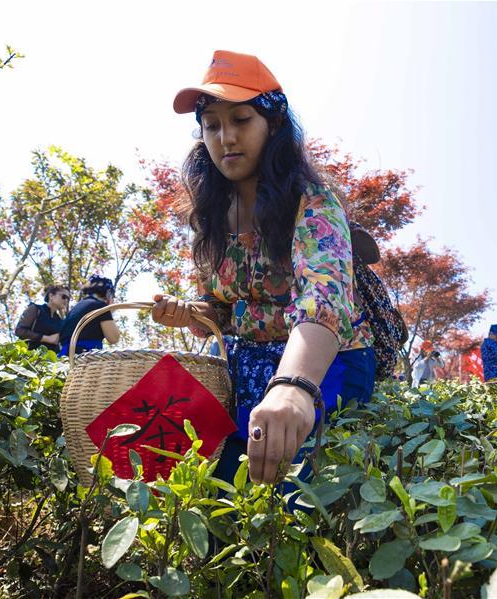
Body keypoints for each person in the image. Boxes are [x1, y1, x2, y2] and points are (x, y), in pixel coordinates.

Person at [151, 51, 376, 485]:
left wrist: (294, 387)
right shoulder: (211, 217)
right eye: (212, 125)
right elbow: (219, 308)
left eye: (240, 119)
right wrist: (190, 312)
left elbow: (323, 300)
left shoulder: (311, 202)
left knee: (297, 491)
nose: (225, 137)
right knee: (213, 486)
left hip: (322, 363)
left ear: (272, 124)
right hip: (244, 362)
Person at [58, 275, 120, 356]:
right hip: (85, 357)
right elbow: (114, 338)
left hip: (65, 356)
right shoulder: (100, 307)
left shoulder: (76, 308)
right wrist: (109, 312)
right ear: (108, 293)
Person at [15, 285, 69, 352]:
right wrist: (45, 338)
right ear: (51, 296)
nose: (66, 300)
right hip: (29, 357)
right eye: (63, 297)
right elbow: (19, 331)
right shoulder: (35, 309)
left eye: (68, 299)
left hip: (51, 360)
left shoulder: (59, 320)